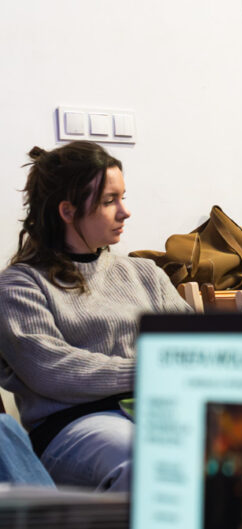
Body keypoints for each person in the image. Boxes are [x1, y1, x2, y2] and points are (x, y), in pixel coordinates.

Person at [0, 142, 192, 492]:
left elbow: (193, 346)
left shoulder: (145, 274)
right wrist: (151, 369)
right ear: (67, 211)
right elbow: (50, 371)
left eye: (123, 197)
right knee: (146, 463)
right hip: (75, 425)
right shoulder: (21, 285)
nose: (125, 212)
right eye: (109, 201)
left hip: (158, 411)